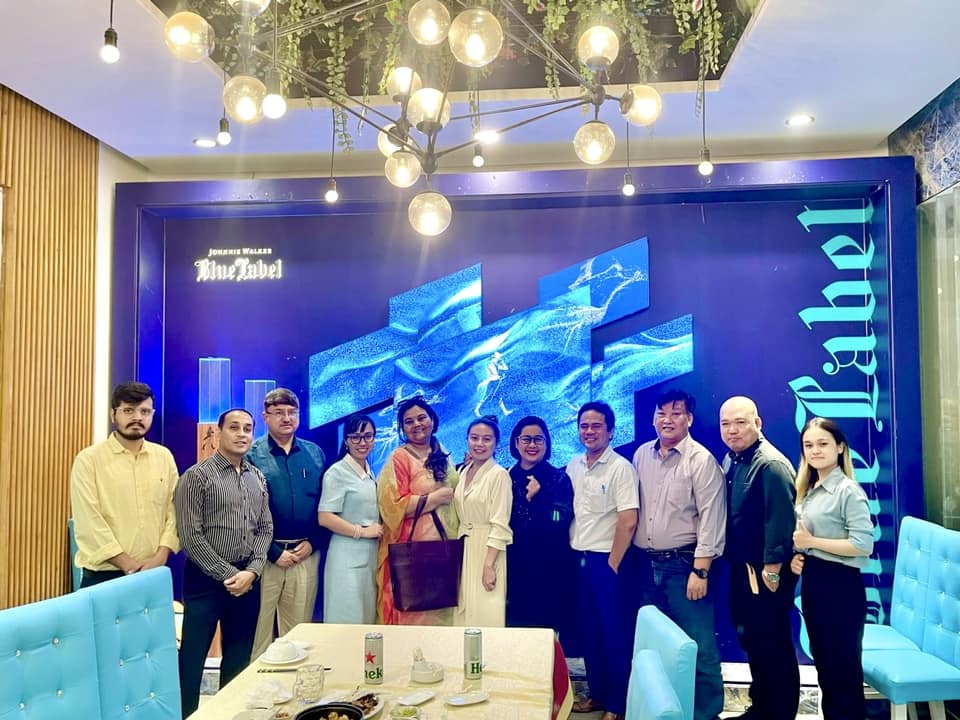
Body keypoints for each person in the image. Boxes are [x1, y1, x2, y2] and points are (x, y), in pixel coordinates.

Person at [632, 389, 726, 720]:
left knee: (697, 645)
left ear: (689, 419)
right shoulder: (642, 455)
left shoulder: (701, 461)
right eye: (661, 413)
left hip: (684, 567)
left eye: (676, 413)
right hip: (645, 565)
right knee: (655, 644)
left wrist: (700, 572)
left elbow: (712, 519)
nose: (667, 420)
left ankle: (706, 713)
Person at [175, 408, 273, 718]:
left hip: (247, 580)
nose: (242, 434)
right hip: (205, 581)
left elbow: (265, 528)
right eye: (234, 427)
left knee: (238, 659)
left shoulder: (257, 477)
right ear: (218, 433)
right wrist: (231, 575)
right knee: (192, 659)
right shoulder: (196, 477)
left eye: (247, 428)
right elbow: (190, 537)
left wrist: (252, 571)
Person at [719, 396, 799, 720]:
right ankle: (762, 708)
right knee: (755, 642)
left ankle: (778, 713)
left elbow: (780, 523)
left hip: (767, 574)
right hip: (743, 571)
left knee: (773, 644)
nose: (732, 430)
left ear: (758, 423)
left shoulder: (770, 464)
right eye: (726, 424)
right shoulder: (733, 459)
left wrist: (772, 572)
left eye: (740, 422)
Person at [790, 417, 874, 720]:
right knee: (826, 669)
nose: (815, 450)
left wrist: (812, 542)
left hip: (841, 588)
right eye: (808, 445)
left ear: (840, 447)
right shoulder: (809, 488)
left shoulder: (848, 491)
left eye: (823, 444)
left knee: (843, 673)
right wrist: (801, 554)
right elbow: (806, 538)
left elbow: (862, 545)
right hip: (814, 584)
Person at [69, 381, 179, 587]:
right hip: (104, 577)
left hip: (154, 572)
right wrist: (128, 564)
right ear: (113, 414)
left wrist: (161, 555)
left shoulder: (164, 457)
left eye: (145, 411)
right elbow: (88, 522)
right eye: (128, 410)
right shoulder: (89, 460)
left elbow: (174, 511)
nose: (137, 417)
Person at [568, 401, 638, 720]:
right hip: (579, 561)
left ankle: (617, 704)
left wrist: (613, 563)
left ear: (610, 431)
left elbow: (628, 520)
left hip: (606, 562)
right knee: (589, 632)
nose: (589, 431)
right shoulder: (574, 465)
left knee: (614, 633)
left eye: (596, 426)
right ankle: (597, 695)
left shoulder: (621, 468)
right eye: (584, 425)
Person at [246, 388, 326, 660]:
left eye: (292, 412)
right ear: (265, 417)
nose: (286, 418)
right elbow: (244, 512)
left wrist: (313, 543)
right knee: (257, 634)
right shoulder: (251, 455)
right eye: (278, 412)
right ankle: (256, 686)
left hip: (305, 555)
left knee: (299, 637)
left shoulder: (314, 454)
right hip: (263, 558)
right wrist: (273, 552)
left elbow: (325, 506)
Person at [377, 397, 460, 625]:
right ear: (402, 428)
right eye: (409, 421)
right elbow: (391, 506)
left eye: (421, 418)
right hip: (414, 552)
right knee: (415, 614)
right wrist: (433, 499)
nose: (417, 424)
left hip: (445, 547)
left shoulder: (441, 451)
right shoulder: (400, 457)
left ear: (432, 419)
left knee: (444, 612)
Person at [505, 415, 574, 631]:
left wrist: (538, 498)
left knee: (545, 633)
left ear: (546, 443)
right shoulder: (505, 477)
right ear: (516, 443)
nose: (532, 445)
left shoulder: (558, 478)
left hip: (548, 568)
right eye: (526, 439)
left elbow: (560, 519)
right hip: (514, 567)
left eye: (538, 439)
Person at [318, 413, 383, 623]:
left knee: (366, 620)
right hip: (346, 558)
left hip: (369, 557)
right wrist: (361, 531)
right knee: (347, 620)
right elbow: (325, 517)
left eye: (368, 436)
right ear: (346, 440)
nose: (362, 442)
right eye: (355, 437)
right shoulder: (337, 472)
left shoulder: (369, 472)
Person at [453, 415, 513, 627]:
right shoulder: (463, 471)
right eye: (474, 438)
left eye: (487, 439)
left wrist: (489, 565)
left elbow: (500, 525)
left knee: (486, 614)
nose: (479, 444)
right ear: (467, 439)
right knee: (462, 615)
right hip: (464, 547)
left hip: (487, 549)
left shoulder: (499, 475)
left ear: (496, 443)